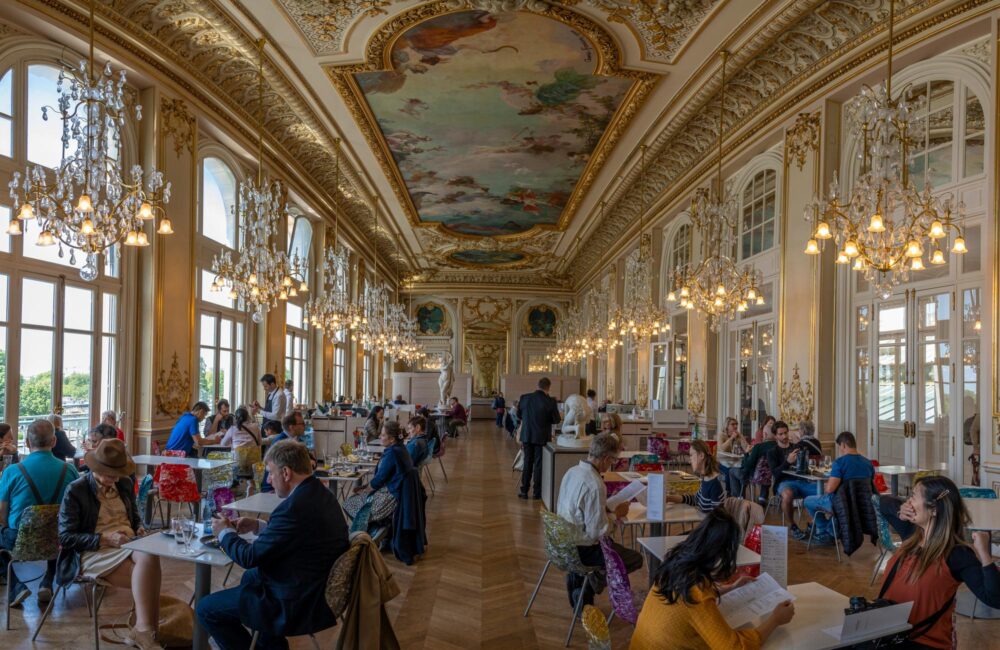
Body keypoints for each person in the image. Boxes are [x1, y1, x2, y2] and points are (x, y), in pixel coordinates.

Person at [198, 440, 350, 650]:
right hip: (316, 584)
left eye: (271, 472)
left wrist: (224, 532)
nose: (269, 479)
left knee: (206, 608)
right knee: (251, 577)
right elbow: (297, 535)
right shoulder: (320, 494)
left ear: (286, 472)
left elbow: (249, 558)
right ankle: (271, 645)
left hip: (297, 600)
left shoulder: (293, 508)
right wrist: (258, 526)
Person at [630, 508, 795, 649]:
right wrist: (775, 620)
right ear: (720, 555)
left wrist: (731, 588)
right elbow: (734, 647)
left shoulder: (675, 566)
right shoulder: (697, 592)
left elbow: (688, 602)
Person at [57, 439, 163, 650]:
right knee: (149, 572)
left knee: (150, 555)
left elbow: (134, 517)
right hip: (93, 551)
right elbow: (66, 537)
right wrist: (104, 539)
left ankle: (143, 631)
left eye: (116, 475)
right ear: (95, 467)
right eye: (107, 474)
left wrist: (139, 528)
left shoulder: (123, 484)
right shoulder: (76, 490)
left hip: (127, 543)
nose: (111, 479)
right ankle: (146, 633)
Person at [877, 475, 1000, 649]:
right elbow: (883, 502)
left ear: (934, 509)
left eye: (913, 496)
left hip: (922, 642)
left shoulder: (956, 554)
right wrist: (900, 509)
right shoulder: (912, 532)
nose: (909, 502)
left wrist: (984, 554)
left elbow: (995, 598)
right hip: (886, 634)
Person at [557, 433, 643, 609]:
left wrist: (604, 509)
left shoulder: (572, 471)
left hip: (563, 541)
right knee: (635, 559)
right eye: (612, 461)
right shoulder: (595, 484)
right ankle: (590, 583)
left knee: (613, 548)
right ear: (605, 458)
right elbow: (599, 532)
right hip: (583, 549)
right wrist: (616, 514)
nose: (611, 465)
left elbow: (575, 510)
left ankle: (580, 583)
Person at [0, 419, 78, 607]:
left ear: (27, 443)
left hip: (20, 541)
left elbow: (2, 516)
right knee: (54, 525)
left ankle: (16, 586)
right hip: (61, 540)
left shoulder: (12, 471)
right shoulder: (71, 470)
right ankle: (47, 581)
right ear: (54, 442)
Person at [349, 421, 426, 563]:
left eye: (383, 435)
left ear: (391, 439)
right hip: (399, 495)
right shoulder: (401, 449)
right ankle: (376, 535)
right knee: (362, 496)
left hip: (391, 498)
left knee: (351, 503)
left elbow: (378, 481)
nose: (380, 436)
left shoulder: (392, 454)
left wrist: (364, 489)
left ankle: (363, 541)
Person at [517, 377, 561, 500]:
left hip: (527, 435)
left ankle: (524, 491)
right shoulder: (550, 401)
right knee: (539, 464)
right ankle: (537, 493)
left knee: (527, 462)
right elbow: (556, 420)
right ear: (549, 388)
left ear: (537, 385)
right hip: (542, 436)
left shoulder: (524, 398)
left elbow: (519, 415)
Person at [769, 421, 814, 537]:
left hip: (802, 481)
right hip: (784, 483)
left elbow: (806, 467)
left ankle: (815, 525)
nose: (784, 436)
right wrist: (787, 462)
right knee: (787, 495)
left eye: (785, 433)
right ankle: (793, 526)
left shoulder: (797, 447)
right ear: (775, 436)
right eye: (780, 434)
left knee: (824, 491)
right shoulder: (772, 452)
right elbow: (775, 474)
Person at [666, 439, 727, 513]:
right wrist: (669, 498)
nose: (689, 460)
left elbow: (717, 518)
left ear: (701, 455)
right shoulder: (705, 478)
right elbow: (696, 499)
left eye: (691, 455)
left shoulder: (715, 484)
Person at [261, 412, 313, 492]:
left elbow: (309, 459)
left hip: (287, 485)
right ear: (292, 427)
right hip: (273, 489)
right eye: (302, 423)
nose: (304, 426)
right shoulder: (281, 443)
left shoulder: (295, 439)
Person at [728, 423, 777, 500]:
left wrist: (746, 453)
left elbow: (748, 465)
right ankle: (762, 497)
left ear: (765, 434)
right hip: (771, 477)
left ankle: (738, 498)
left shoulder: (758, 447)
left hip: (753, 476)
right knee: (764, 472)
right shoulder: (778, 446)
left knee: (732, 471)